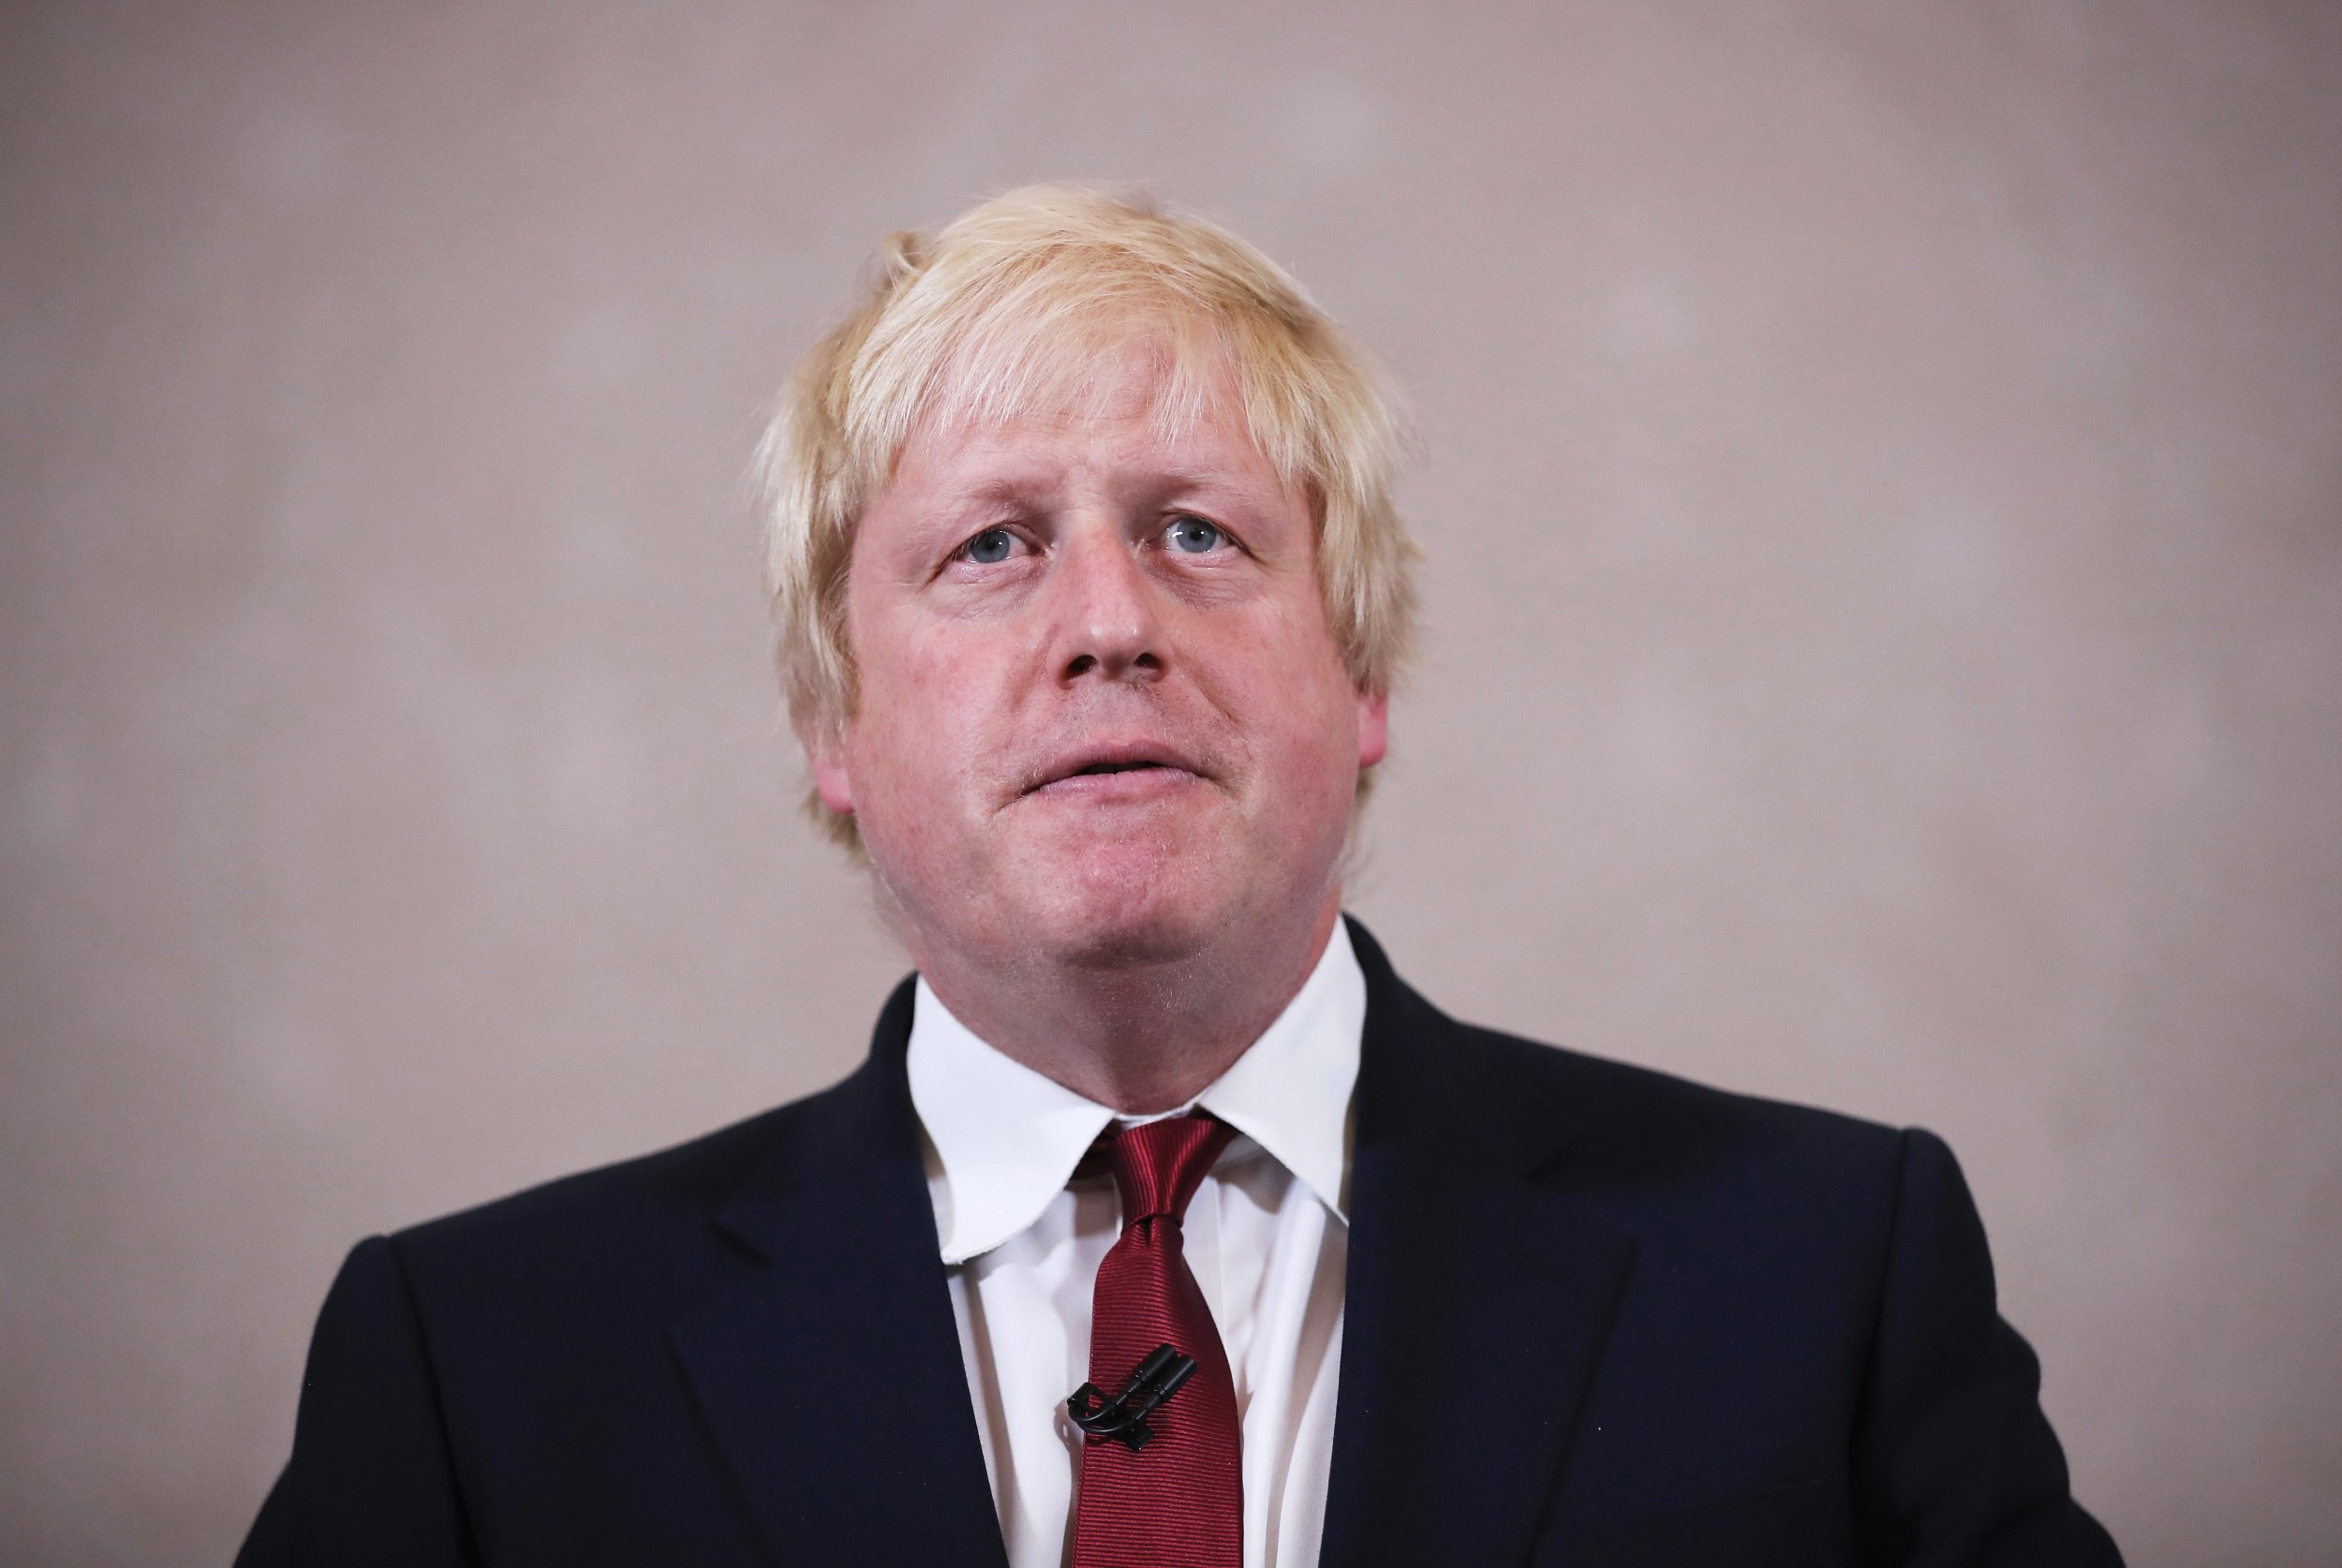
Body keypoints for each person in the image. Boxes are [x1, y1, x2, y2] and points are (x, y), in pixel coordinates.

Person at [236, 186, 2122, 1567]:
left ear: (1361, 673)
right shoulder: (477, 1370)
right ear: (832, 722)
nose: (1107, 624)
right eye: (988, 548)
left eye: (1198, 532)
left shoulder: (1820, 1274)